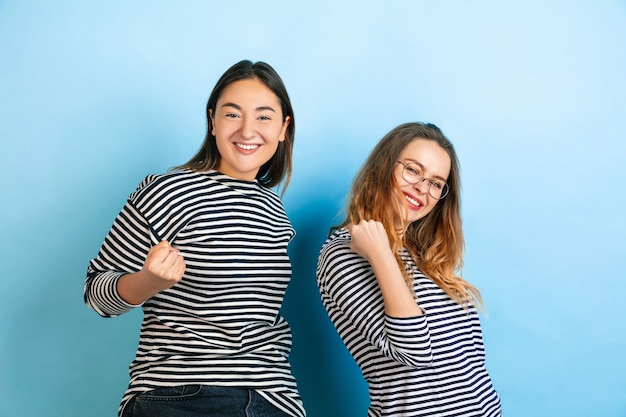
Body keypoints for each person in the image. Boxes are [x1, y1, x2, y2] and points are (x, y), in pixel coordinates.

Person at [84, 60, 305, 417]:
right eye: (233, 115)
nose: (248, 130)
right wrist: (148, 281)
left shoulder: (274, 211)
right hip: (184, 395)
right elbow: (97, 294)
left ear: (283, 128)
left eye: (264, 117)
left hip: (273, 397)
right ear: (212, 121)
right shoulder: (168, 191)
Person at [316, 122, 502, 416]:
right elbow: (414, 350)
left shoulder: (425, 256)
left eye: (436, 183)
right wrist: (380, 253)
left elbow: (468, 373)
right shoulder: (343, 252)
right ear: (384, 167)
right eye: (413, 170)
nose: (422, 188)